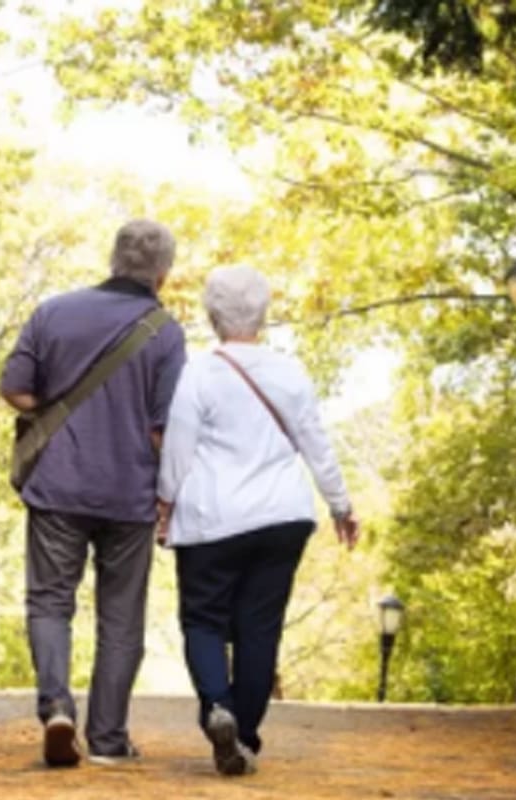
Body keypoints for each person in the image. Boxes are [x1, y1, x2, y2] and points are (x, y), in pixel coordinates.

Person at [156, 264, 359, 776]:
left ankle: (217, 707)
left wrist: (165, 502)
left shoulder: (200, 372)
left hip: (213, 518)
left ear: (212, 315)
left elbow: (178, 446)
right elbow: (316, 444)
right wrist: (340, 505)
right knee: (259, 627)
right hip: (282, 516)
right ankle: (242, 733)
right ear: (263, 314)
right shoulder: (290, 372)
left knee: (203, 619)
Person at [0, 219, 186, 768]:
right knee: (121, 619)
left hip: (58, 484)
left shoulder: (53, 312)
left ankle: (57, 707)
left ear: (112, 259)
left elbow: (14, 389)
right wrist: (169, 494)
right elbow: (164, 429)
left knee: (50, 602)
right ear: (162, 275)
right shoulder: (165, 332)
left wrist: (56, 413)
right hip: (130, 493)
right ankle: (108, 738)